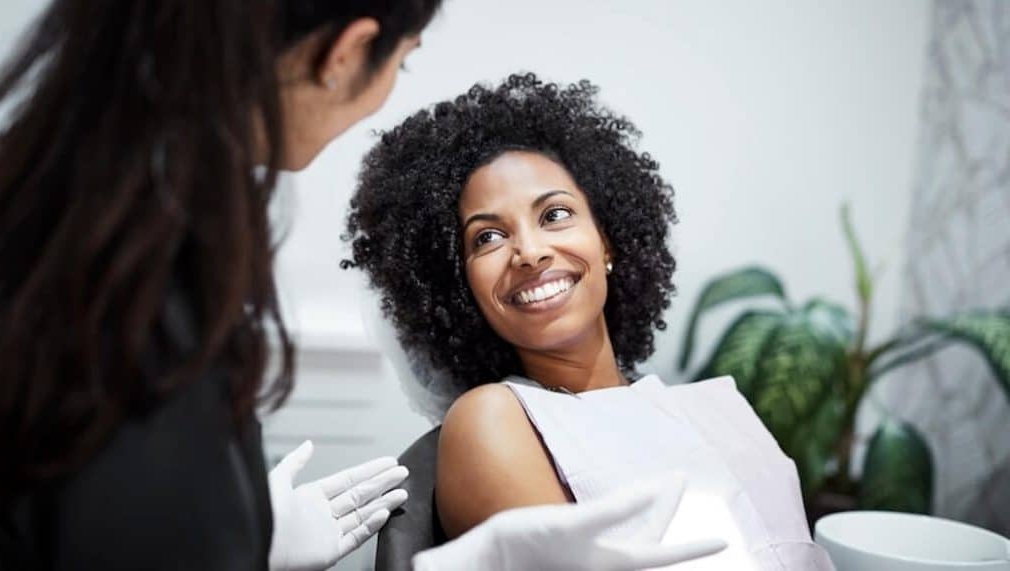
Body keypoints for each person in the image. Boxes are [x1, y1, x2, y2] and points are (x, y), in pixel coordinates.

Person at [0, 0, 721, 569]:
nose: (530, 250)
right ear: (344, 55)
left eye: (556, 213)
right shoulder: (134, 297)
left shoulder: (62, 220)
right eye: (403, 59)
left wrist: (242, 533)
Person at [344, 73, 837, 569]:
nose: (531, 253)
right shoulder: (493, 420)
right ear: (459, 287)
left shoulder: (715, 406)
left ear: (608, 243)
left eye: (555, 214)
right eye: (488, 237)